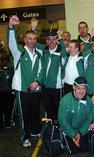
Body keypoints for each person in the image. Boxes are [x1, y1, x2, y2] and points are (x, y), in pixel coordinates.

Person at [8, 16, 42, 147]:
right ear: (25, 40)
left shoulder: (38, 53)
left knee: (35, 112)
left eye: (34, 39)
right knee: (23, 115)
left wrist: (37, 82)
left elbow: (41, 70)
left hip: (35, 89)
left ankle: (35, 132)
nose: (32, 41)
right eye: (29, 39)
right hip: (22, 90)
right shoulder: (19, 53)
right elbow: (11, 42)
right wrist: (11, 27)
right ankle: (25, 137)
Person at [58, 76, 93, 154]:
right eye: (78, 88)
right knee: (74, 151)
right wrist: (72, 134)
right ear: (73, 87)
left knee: (84, 149)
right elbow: (62, 120)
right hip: (68, 130)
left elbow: (89, 119)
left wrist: (80, 133)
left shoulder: (89, 101)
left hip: (80, 130)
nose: (81, 91)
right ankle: (63, 138)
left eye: (84, 88)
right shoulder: (65, 100)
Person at [41, 31, 66, 122]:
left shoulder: (61, 51)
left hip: (57, 86)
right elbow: (34, 44)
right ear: (46, 41)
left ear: (57, 40)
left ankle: (59, 129)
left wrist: (61, 41)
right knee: (47, 108)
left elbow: (65, 59)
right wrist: (34, 28)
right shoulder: (44, 50)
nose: (51, 42)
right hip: (45, 86)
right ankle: (49, 128)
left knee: (58, 108)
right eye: (49, 39)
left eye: (54, 39)